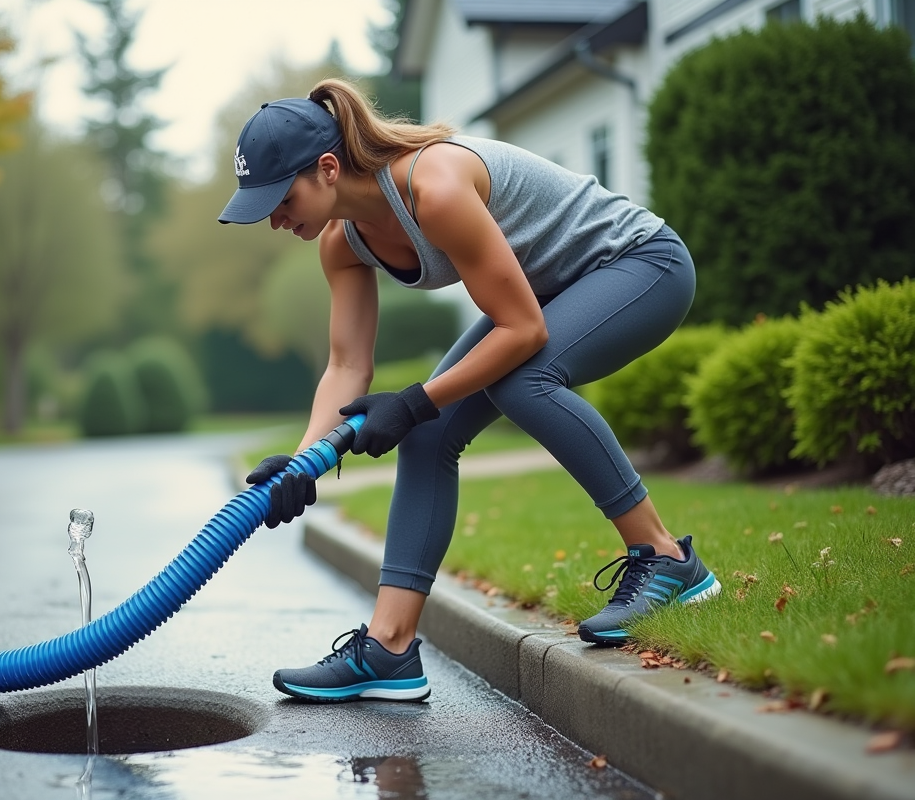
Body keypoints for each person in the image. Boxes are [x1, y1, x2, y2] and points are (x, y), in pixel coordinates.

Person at [220, 79, 721, 703]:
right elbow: (347, 367)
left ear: (327, 168)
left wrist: (412, 401)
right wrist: (304, 462)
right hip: (547, 293)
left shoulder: (434, 187)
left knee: (522, 379)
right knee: (428, 435)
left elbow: (523, 331)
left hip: (639, 265)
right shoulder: (339, 244)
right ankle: (388, 648)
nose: (273, 219)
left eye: (280, 198)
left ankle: (666, 557)